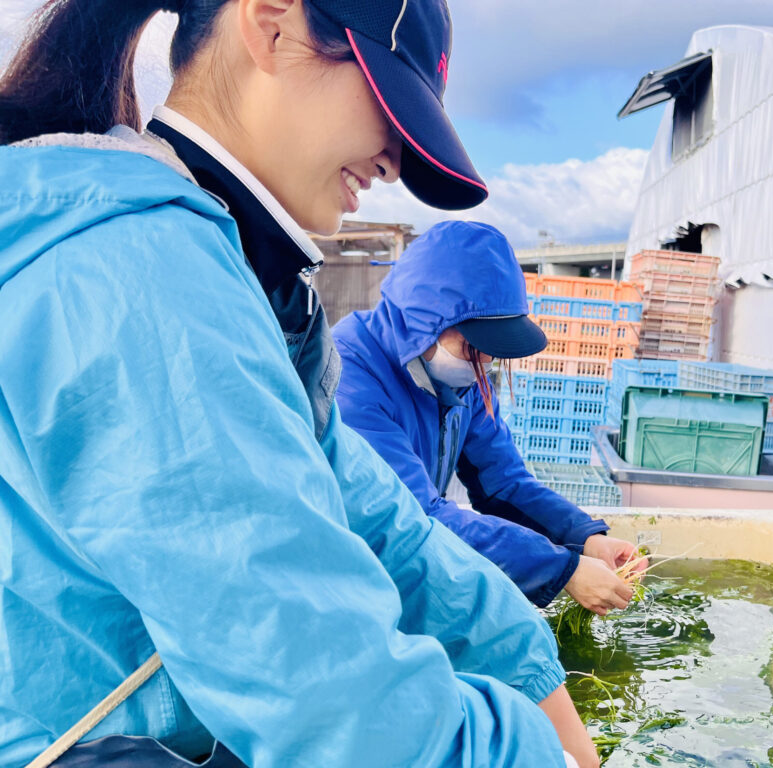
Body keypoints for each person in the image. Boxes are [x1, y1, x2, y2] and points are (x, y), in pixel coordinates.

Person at [0, 2, 598, 767]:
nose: (393, 162)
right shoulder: (144, 275)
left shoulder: (247, 285)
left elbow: (384, 526)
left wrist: (523, 657)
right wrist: (536, 751)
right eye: (388, 99)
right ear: (271, 24)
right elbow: (330, 698)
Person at [331, 221, 648, 614]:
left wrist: (584, 539)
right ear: (423, 322)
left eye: (492, 348)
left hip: (407, 559)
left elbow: (504, 484)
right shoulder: (350, 376)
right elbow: (414, 516)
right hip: (345, 579)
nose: (484, 361)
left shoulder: (459, 376)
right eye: (472, 346)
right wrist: (561, 569)